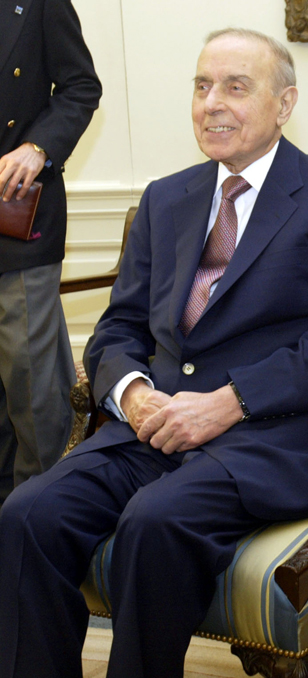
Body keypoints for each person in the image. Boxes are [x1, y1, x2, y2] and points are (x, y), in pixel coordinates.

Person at [0, 27, 308, 678]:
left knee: (154, 524)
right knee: (27, 514)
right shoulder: (167, 198)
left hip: (268, 437)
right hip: (149, 433)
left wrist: (230, 402)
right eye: (202, 85)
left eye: (236, 87)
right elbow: (119, 326)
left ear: (285, 103)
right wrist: (131, 393)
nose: (212, 102)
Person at [0, 0, 101, 503]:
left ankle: (42, 511)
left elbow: (82, 86)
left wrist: (38, 147)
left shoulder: (40, 4)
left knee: (30, 377)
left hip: (15, 215)